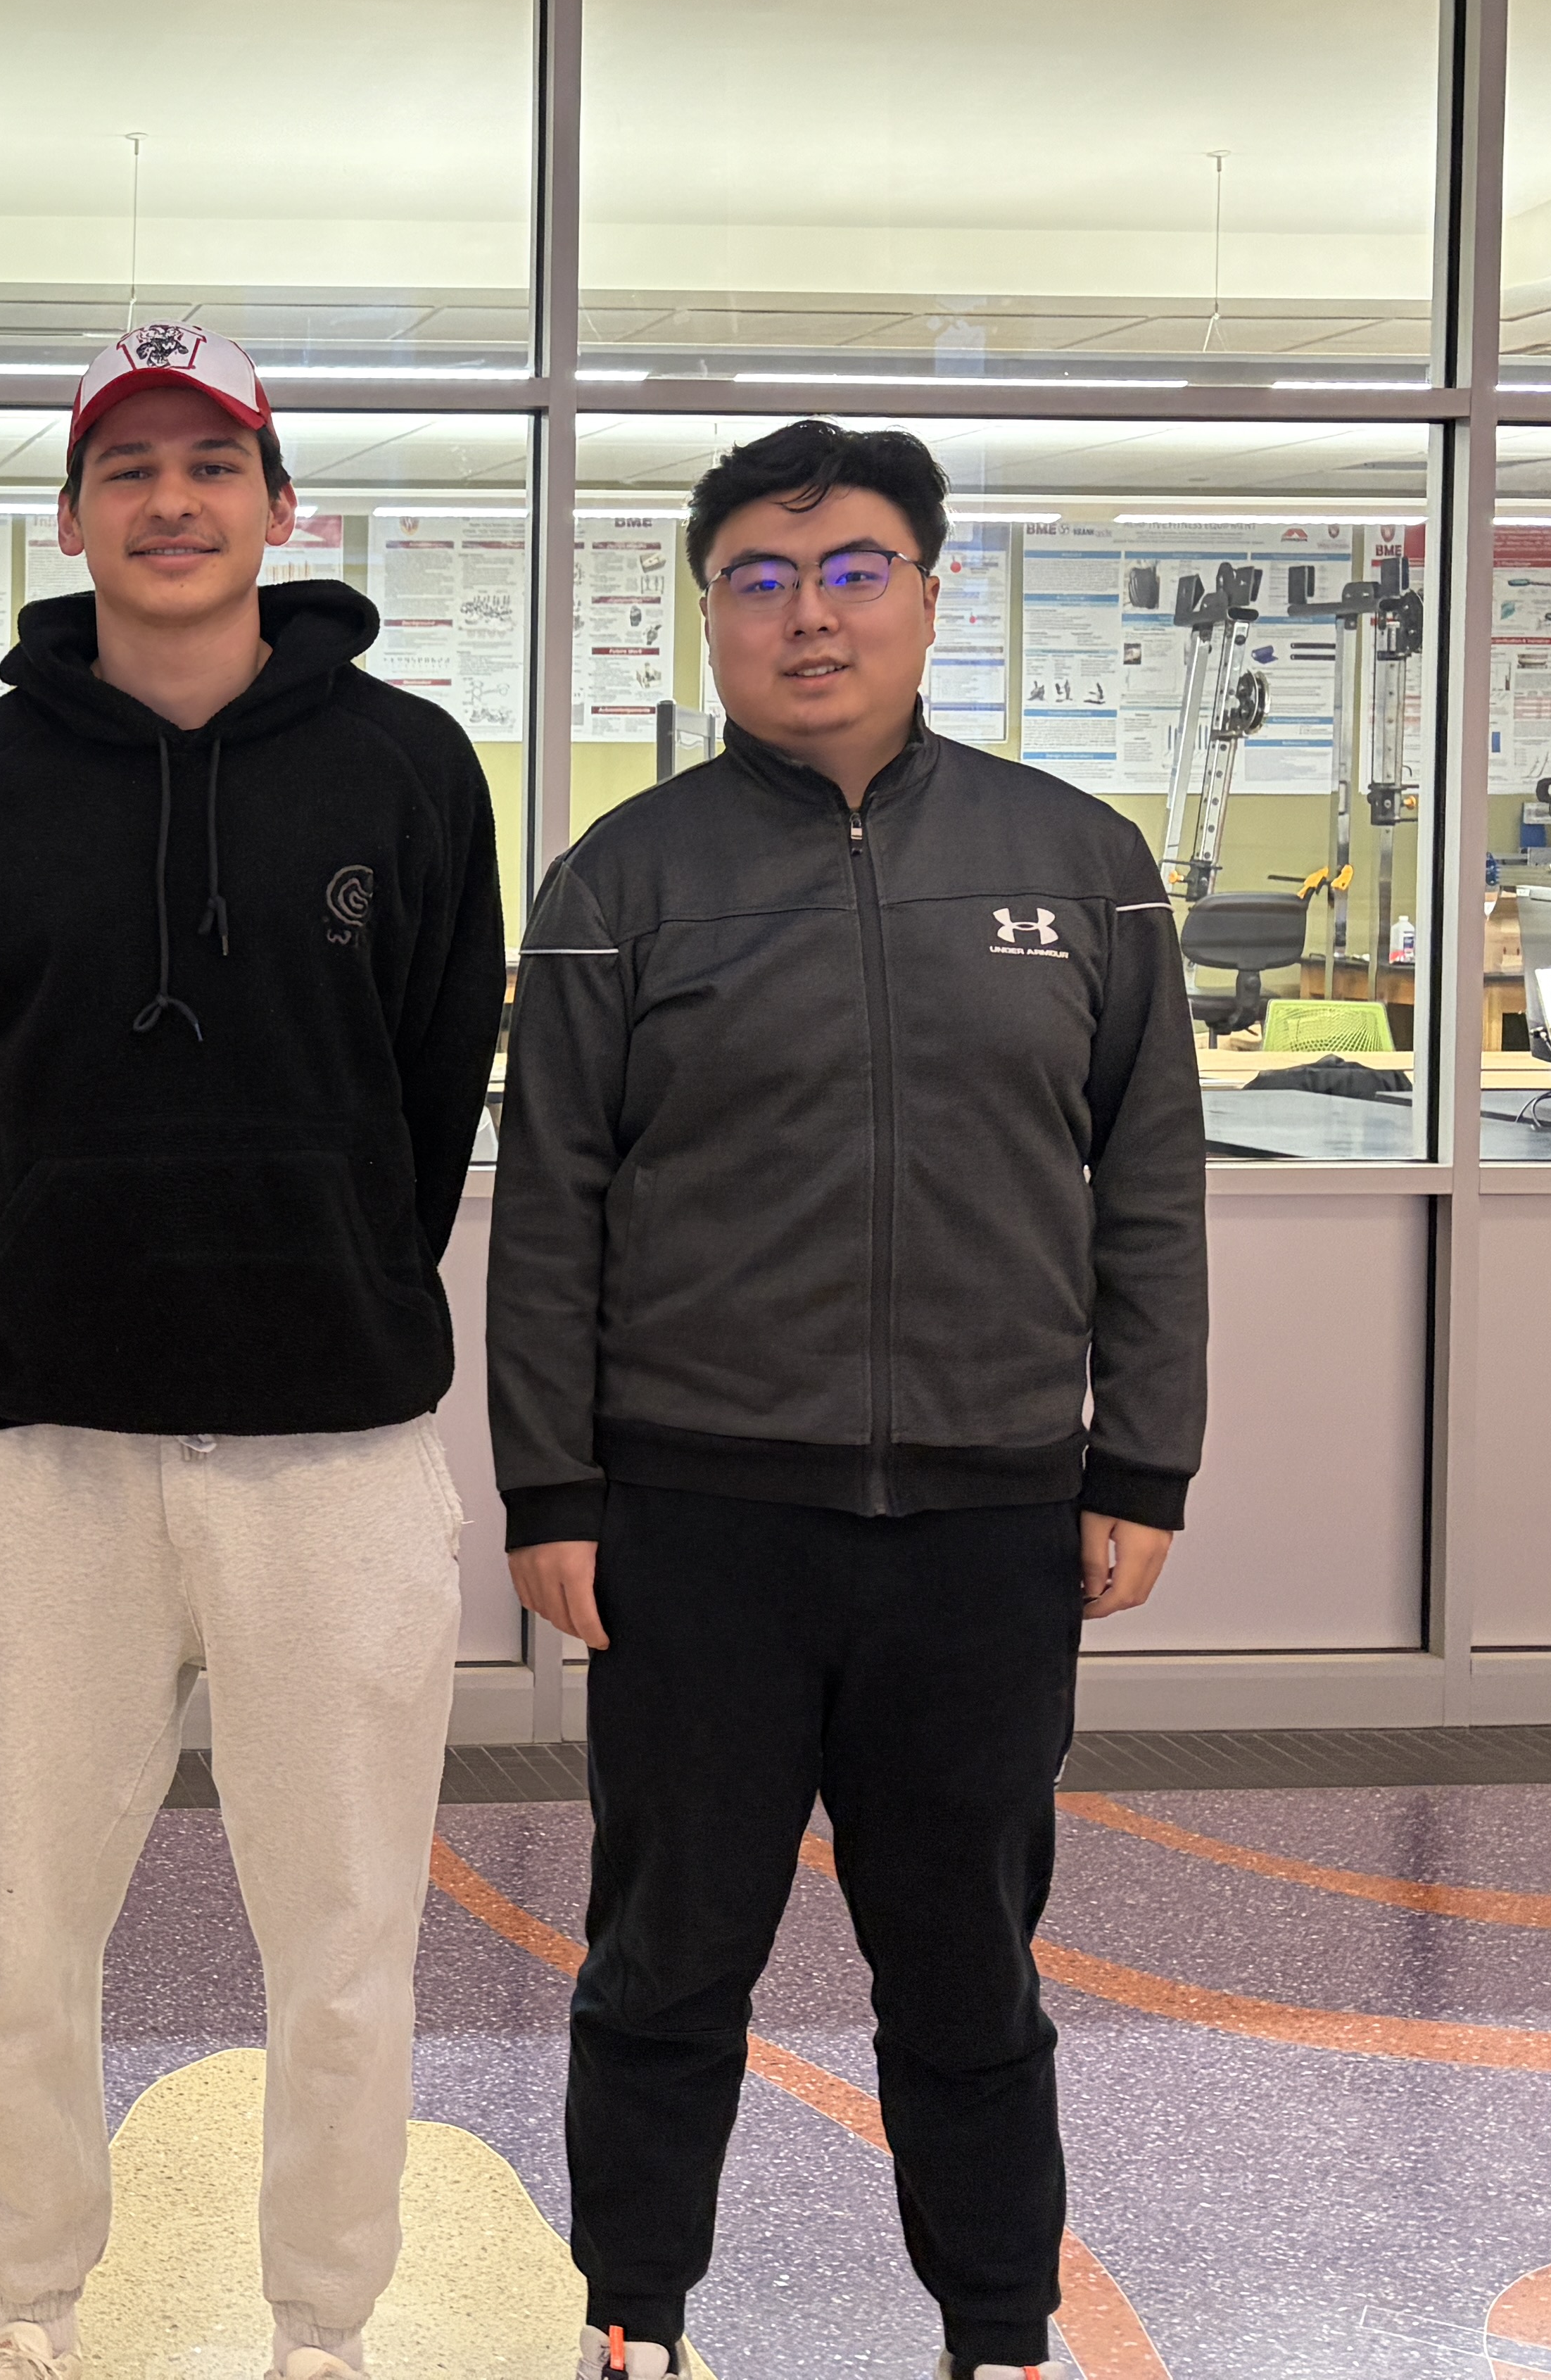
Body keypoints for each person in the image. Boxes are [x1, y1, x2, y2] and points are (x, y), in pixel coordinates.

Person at [484, 421, 1207, 2380]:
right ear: (712, 611)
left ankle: (1000, 2332)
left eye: (857, 569)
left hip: (986, 1521)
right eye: (764, 579)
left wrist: (1142, 1448)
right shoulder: (622, 879)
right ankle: (635, 2316)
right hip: (695, 1521)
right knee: (666, 1957)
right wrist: (548, 1485)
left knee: (970, 1967)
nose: (813, 615)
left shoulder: (1082, 866)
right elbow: (550, 1203)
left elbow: (1144, 1182)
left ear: (930, 593)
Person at [0, 326, 510, 2380]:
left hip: (336, 1446)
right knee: (17, 1938)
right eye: (128, 467)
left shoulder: (408, 765)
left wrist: (307, 1272)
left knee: (344, 1941)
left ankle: (321, 2328)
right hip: (47, 1444)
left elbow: (429, 1094)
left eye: (209, 462)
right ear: (68, 519)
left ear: (277, 501)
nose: (170, 499)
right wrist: (39, 1299)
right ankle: (34, 2310)